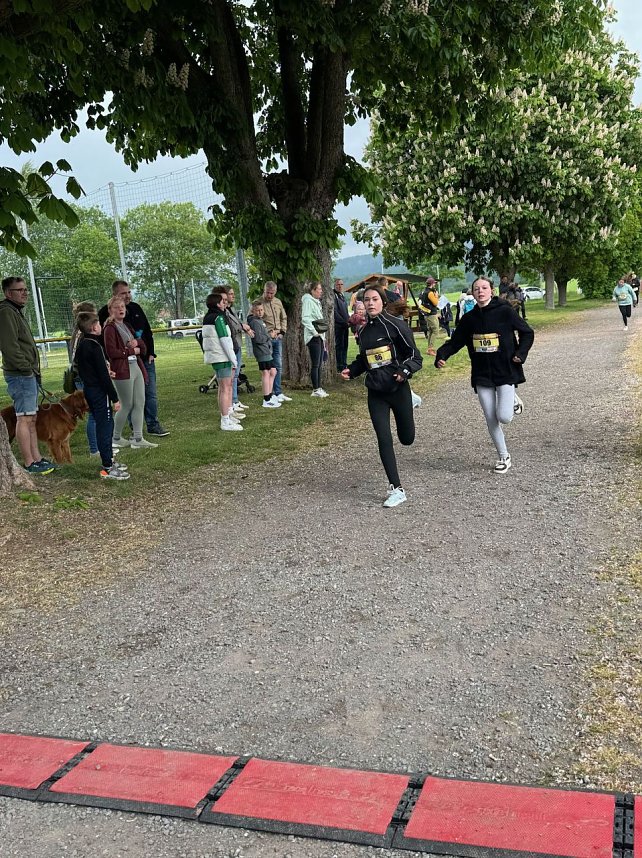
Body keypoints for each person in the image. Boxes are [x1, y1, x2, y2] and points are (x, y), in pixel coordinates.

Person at [435, 277, 534, 474]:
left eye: (484, 288)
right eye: (476, 289)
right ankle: (503, 456)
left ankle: (512, 397)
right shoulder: (469, 319)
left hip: (505, 371)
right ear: (472, 292)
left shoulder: (505, 311)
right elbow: (456, 342)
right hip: (482, 375)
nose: (480, 291)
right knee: (491, 418)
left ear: (492, 290)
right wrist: (442, 355)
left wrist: (519, 354)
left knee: (504, 417)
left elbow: (527, 332)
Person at [341, 285, 422, 508]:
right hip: (376, 392)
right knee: (383, 438)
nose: (370, 303)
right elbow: (365, 360)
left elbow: (415, 357)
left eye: (374, 299)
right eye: (366, 300)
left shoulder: (396, 326)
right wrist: (353, 369)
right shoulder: (365, 332)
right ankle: (396, 488)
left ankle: (412, 401)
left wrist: (404, 371)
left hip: (398, 390)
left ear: (383, 302)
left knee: (407, 438)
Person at [0, 276, 56, 474]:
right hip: (20, 375)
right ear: (8, 293)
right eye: (19, 290)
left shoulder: (15, 311)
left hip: (27, 374)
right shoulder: (6, 312)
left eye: (26, 289)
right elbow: (9, 346)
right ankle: (29, 462)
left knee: (31, 418)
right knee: (24, 419)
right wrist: (26, 368)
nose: (24, 293)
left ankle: (37, 458)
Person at [99, 280, 169, 437]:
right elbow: (107, 346)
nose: (127, 296)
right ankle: (127, 432)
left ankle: (152, 424)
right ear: (114, 297)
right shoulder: (107, 320)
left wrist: (149, 352)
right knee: (128, 401)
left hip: (143, 360)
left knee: (148, 394)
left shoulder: (135, 309)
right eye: (123, 293)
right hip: (124, 365)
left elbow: (146, 334)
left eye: (129, 292)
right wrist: (121, 355)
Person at [74, 313, 129, 480]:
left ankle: (109, 459)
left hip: (89, 389)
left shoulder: (82, 345)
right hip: (99, 392)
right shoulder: (94, 346)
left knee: (102, 424)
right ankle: (107, 466)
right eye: (98, 324)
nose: (100, 326)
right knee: (105, 427)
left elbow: (90, 370)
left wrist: (104, 371)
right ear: (93, 327)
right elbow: (103, 377)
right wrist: (114, 398)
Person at [103, 296, 158, 449]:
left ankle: (138, 438)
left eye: (122, 306)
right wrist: (131, 350)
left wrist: (137, 343)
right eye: (116, 307)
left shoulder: (127, 325)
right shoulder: (109, 328)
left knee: (140, 402)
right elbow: (112, 352)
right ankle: (115, 437)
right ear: (110, 311)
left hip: (136, 367)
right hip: (122, 369)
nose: (120, 309)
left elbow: (142, 345)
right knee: (126, 404)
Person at [202, 291, 244, 430]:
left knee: (222, 387)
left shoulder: (208, 317)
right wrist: (233, 359)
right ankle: (225, 420)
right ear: (217, 304)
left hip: (216, 356)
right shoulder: (218, 318)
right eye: (222, 301)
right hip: (222, 356)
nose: (224, 303)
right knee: (226, 388)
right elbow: (225, 339)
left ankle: (227, 415)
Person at [69, 301, 99, 458]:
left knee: (95, 412)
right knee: (94, 413)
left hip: (80, 376)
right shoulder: (83, 335)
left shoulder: (76, 332)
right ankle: (94, 449)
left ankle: (98, 445)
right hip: (84, 378)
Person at [220, 285, 253, 415]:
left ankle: (234, 400)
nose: (233, 296)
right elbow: (233, 326)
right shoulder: (224, 312)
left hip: (237, 344)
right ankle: (232, 402)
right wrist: (242, 326)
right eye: (231, 294)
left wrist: (244, 327)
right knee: (232, 376)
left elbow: (237, 323)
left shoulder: (231, 309)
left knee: (236, 374)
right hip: (232, 345)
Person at [247, 298, 281, 409]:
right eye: (258, 310)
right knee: (266, 373)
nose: (260, 312)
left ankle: (270, 395)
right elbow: (258, 339)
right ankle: (266, 399)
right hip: (262, 351)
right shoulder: (254, 322)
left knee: (273, 371)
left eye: (262, 310)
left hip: (267, 350)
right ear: (253, 311)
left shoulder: (260, 321)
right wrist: (269, 336)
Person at [261, 280, 290, 402]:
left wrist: (282, 332)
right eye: (268, 293)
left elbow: (283, 317)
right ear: (264, 290)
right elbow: (253, 320)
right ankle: (269, 393)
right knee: (268, 367)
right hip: (266, 339)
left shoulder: (278, 302)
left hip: (277, 337)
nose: (270, 295)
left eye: (272, 293)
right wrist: (266, 334)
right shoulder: (258, 303)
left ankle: (278, 392)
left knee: (278, 365)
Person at [301, 281, 328, 398]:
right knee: (315, 364)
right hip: (313, 337)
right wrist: (314, 332)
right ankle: (315, 389)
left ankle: (319, 387)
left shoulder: (316, 302)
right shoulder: (308, 301)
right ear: (312, 290)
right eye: (319, 289)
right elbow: (305, 318)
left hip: (320, 336)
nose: (321, 291)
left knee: (319, 363)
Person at [418, 277, 440, 356]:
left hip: (427, 314)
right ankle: (431, 349)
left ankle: (430, 348)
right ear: (432, 284)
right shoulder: (430, 293)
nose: (435, 285)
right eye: (434, 283)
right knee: (435, 331)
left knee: (431, 331)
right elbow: (435, 303)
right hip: (431, 314)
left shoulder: (424, 291)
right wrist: (436, 296)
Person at [333, 277, 350, 372]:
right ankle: (339, 366)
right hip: (338, 326)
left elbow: (346, 312)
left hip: (345, 326)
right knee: (339, 346)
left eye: (341, 284)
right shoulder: (333, 296)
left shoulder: (342, 296)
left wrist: (349, 320)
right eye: (338, 284)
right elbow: (334, 312)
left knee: (345, 345)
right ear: (334, 285)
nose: (340, 286)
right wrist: (343, 322)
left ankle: (344, 364)